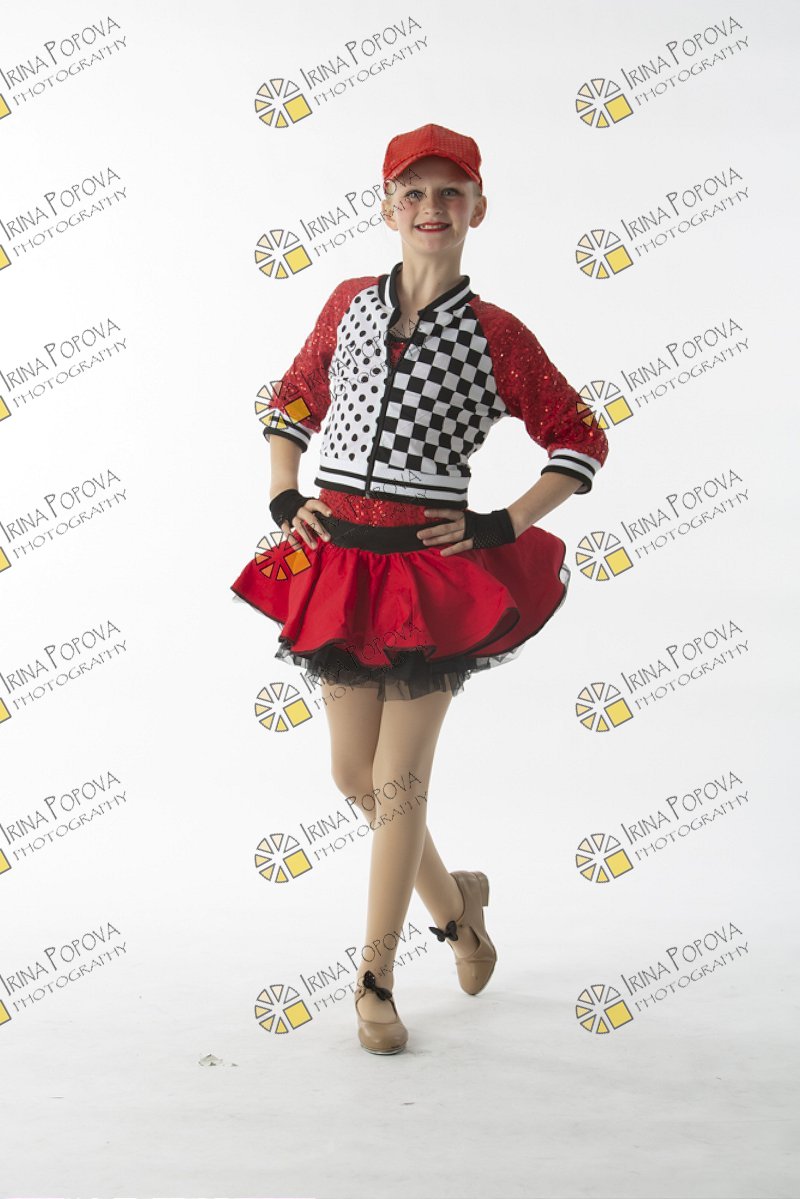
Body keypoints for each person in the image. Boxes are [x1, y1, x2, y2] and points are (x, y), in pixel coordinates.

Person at [230, 123, 610, 1054]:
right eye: (414, 192)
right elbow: (293, 397)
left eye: (450, 193)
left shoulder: (496, 335)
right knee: (353, 776)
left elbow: (581, 437)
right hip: (338, 563)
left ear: (478, 208)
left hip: (428, 579)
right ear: (387, 207)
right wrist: (284, 491)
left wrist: (503, 522)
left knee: (398, 784)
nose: (431, 208)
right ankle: (460, 907)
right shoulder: (347, 303)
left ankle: (375, 979)